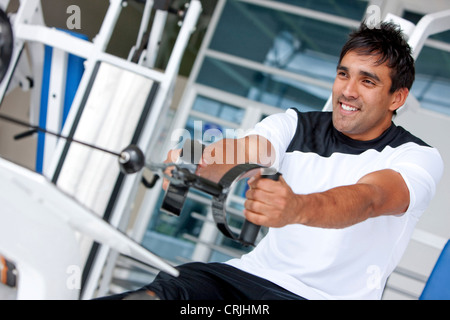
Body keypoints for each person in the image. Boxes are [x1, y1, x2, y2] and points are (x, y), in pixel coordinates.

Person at [111, 22, 444, 300]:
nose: (348, 90)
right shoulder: (295, 124)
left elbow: (370, 200)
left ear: (396, 98)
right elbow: (244, 151)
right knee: (172, 290)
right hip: (252, 278)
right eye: (344, 74)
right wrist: (195, 159)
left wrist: (296, 207)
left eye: (367, 81)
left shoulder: (416, 157)